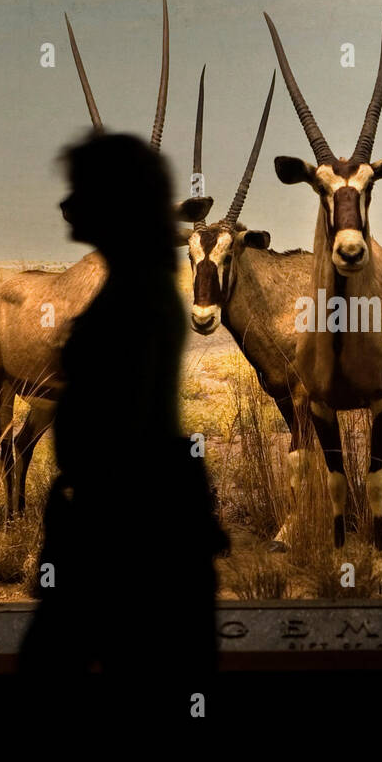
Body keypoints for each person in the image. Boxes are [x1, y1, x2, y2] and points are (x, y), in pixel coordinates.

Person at [18, 132, 228, 682]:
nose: (70, 203)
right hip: (130, 522)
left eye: (84, 190)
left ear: (117, 204)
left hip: (120, 531)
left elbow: (124, 427)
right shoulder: (143, 281)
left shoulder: (137, 292)